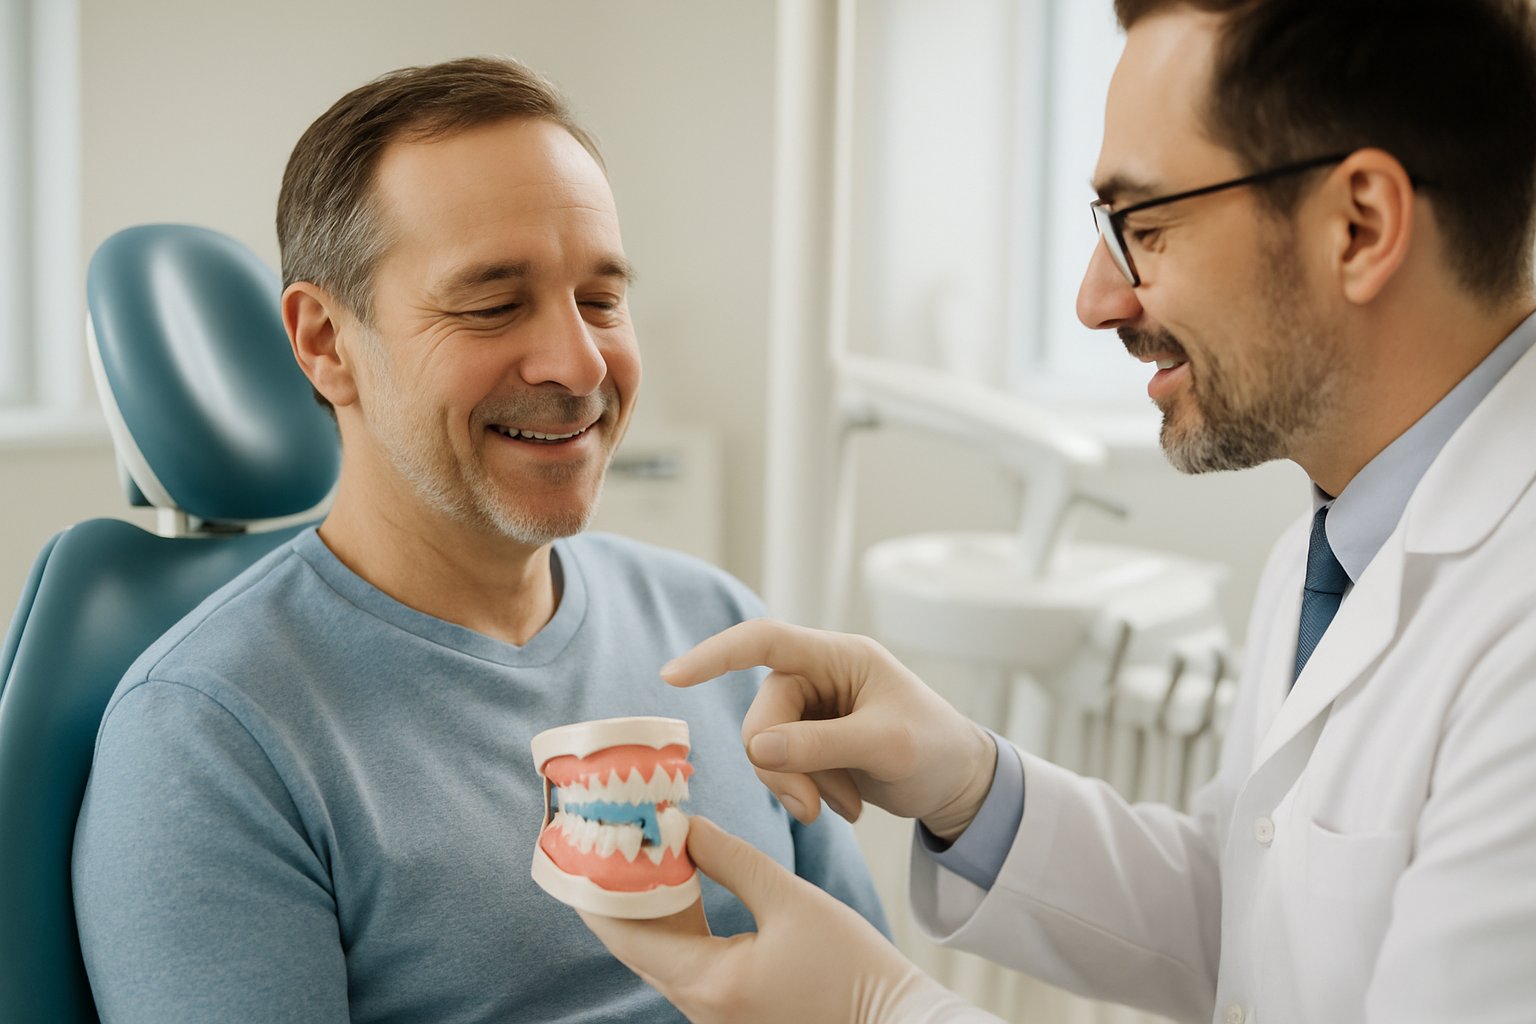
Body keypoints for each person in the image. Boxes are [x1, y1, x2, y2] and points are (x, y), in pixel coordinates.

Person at [579, 1, 1536, 1022]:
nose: (1097, 298)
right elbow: (1254, 915)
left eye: (1146, 227)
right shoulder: (1344, 536)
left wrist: (877, 1008)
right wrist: (969, 784)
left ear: (1361, 227)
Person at [70, 57, 885, 1024]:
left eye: (601, 298)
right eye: (495, 305)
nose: (580, 363)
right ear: (326, 343)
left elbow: (876, 999)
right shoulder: (208, 739)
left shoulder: (720, 632)